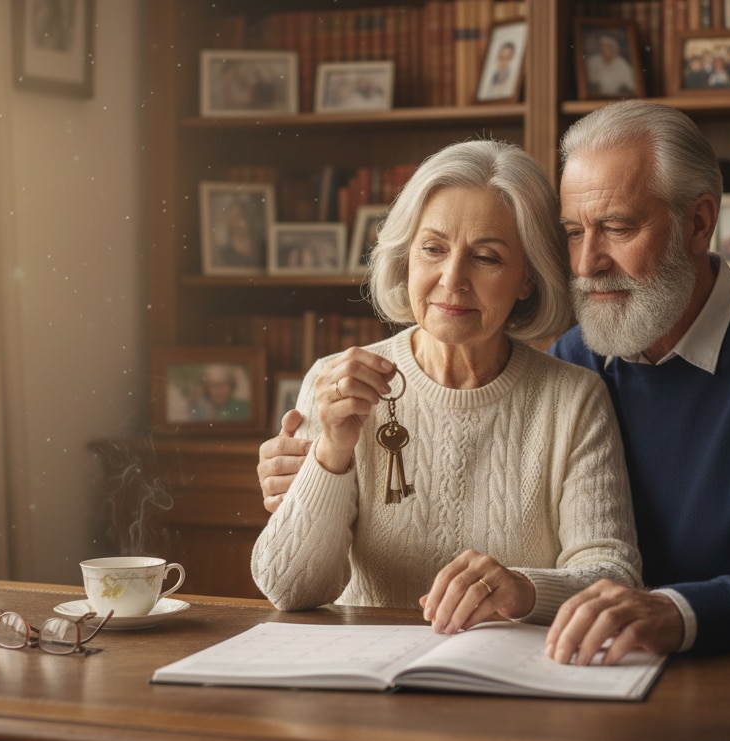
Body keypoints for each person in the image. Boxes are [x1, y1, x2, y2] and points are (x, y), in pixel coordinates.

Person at [260, 100, 730, 662]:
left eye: (617, 227)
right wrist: (320, 467)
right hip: (585, 662)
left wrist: (677, 612)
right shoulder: (583, 352)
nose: (587, 264)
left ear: (698, 224)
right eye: (572, 232)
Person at [250, 140, 642, 632]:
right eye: (433, 249)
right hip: (364, 680)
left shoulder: (574, 398)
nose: (451, 279)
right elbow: (288, 589)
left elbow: (614, 579)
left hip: (508, 680)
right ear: (407, 257)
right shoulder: (336, 381)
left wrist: (522, 590)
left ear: (527, 278)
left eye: (486, 258)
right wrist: (331, 454)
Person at [584, 33, 637, 98]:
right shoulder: (593, 61)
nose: (605, 50)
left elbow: (630, 87)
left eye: (608, 48)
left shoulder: (622, 63)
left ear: (614, 49)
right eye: (603, 48)